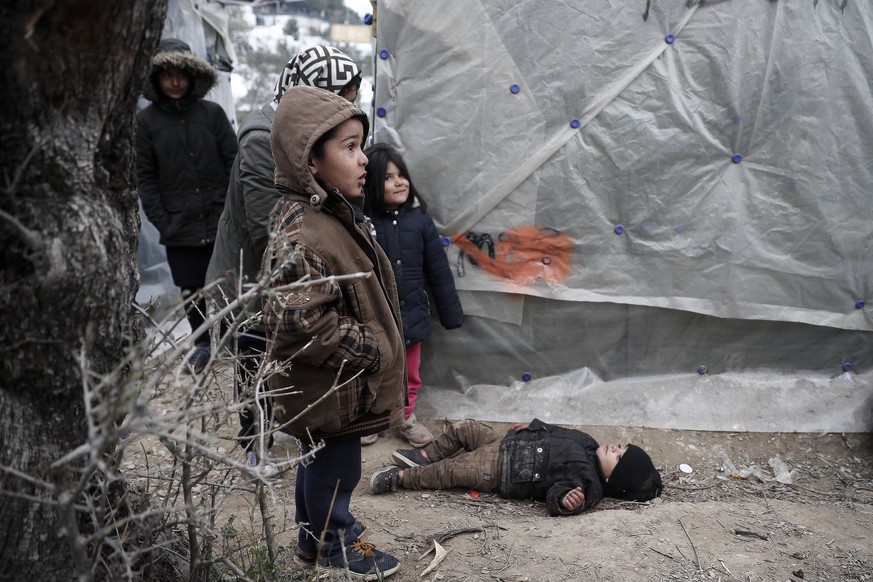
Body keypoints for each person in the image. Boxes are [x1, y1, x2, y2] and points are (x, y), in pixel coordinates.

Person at [262, 85, 406, 578]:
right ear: (311, 162)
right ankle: (332, 541)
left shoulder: (327, 213)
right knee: (336, 467)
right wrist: (371, 346)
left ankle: (313, 538)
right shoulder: (304, 232)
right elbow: (299, 321)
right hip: (332, 387)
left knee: (319, 461)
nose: (363, 159)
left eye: (361, 145)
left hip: (332, 385)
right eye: (349, 147)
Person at [205, 46, 362, 465]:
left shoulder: (307, 135)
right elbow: (267, 228)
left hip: (287, 274)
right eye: (341, 99)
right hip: (252, 279)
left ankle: (291, 429)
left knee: (289, 360)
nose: (347, 109)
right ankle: (255, 443)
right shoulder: (263, 139)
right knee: (255, 362)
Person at [136, 38, 238, 373]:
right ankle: (203, 344)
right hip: (179, 226)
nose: (175, 81)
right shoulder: (147, 122)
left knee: (228, 282)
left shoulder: (212, 114)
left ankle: (235, 339)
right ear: (156, 78)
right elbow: (146, 177)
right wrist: (163, 220)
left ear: (193, 76)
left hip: (220, 219)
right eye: (167, 74)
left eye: (182, 74)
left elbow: (235, 162)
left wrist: (231, 210)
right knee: (192, 291)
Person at [361, 144, 464, 447]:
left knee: (410, 373)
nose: (400, 182)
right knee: (374, 369)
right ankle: (374, 418)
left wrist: (451, 313)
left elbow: (438, 271)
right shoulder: (364, 224)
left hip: (412, 315)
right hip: (376, 318)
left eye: (402, 175)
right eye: (389, 177)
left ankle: (405, 416)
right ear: (369, 183)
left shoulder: (419, 221)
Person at [370, 418, 663, 516]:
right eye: (622, 447)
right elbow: (555, 430)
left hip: (500, 470)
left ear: (613, 479)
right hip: (504, 442)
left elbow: (555, 495)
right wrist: (534, 425)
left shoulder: (587, 484)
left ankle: (402, 477)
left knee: (453, 470)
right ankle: (425, 455)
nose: (615, 448)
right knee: (466, 428)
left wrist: (566, 502)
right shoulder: (588, 441)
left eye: (619, 457)